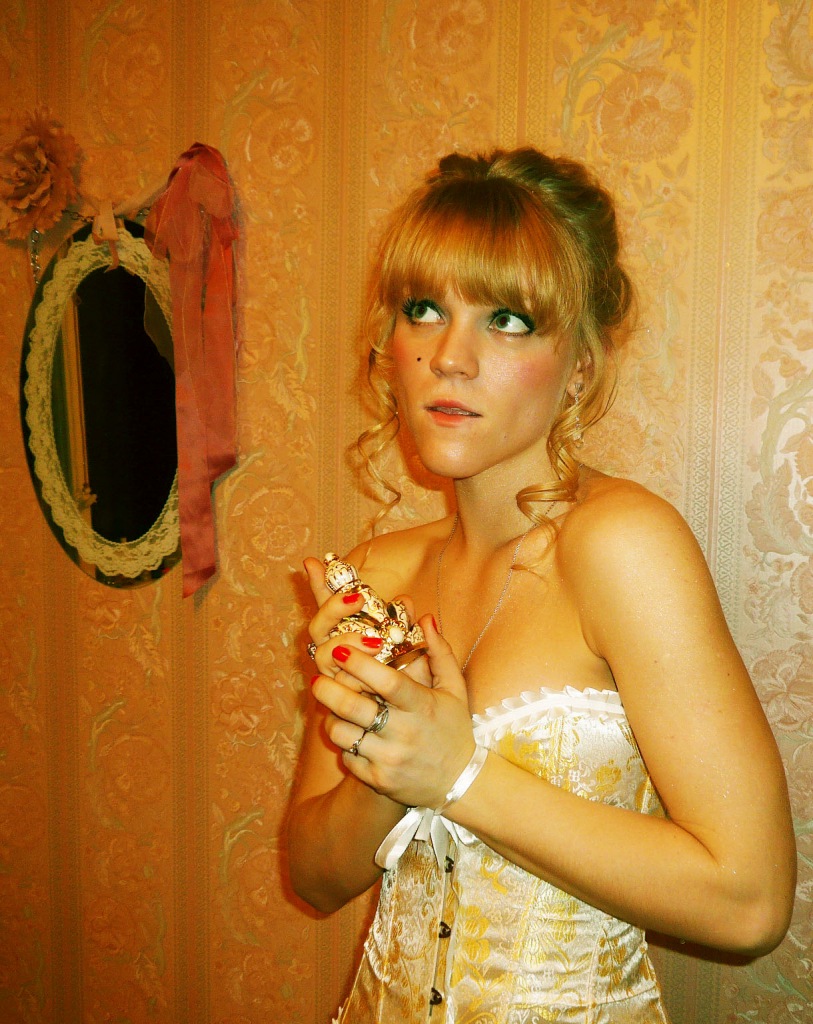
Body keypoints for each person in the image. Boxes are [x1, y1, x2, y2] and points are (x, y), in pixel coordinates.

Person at [287, 147, 795, 1023]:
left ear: (581, 366)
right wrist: (386, 762)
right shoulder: (379, 573)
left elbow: (748, 903)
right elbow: (314, 876)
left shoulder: (621, 545)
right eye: (423, 309)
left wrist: (457, 772)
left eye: (508, 320)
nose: (449, 357)